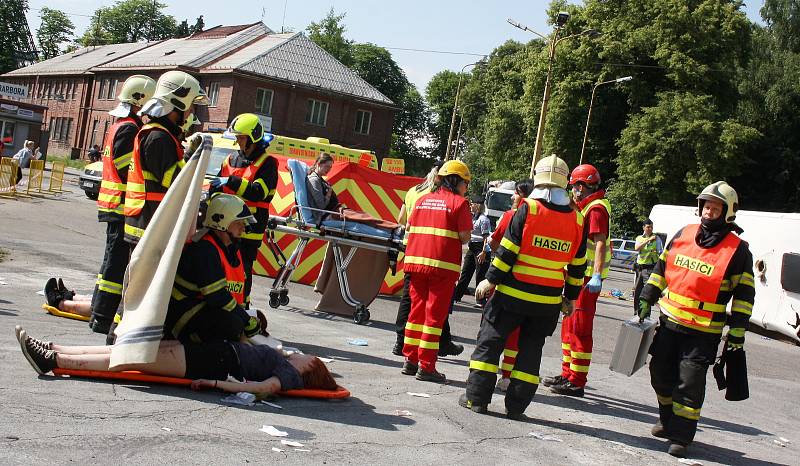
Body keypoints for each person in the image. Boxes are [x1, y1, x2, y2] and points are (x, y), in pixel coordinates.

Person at [459, 155, 587, 419]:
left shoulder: (529, 209)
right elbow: (577, 267)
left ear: (538, 178)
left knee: (490, 343)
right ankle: (516, 408)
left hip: (511, 296)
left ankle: (476, 399)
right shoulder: (577, 220)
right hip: (547, 302)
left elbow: (507, 251)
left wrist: (489, 279)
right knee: (530, 352)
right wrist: (571, 298)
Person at [638, 181, 754, 458]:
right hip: (670, 323)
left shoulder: (738, 250)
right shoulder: (683, 234)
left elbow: (744, 295)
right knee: (660, 375)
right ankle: (667, 419)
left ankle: (681, 436)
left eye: (715, 207)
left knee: (689, 384)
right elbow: (661, 269)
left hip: (703, 332)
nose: (708, 211)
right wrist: (647, 296)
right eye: (706, 206)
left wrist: (737, 331)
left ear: (727, 213)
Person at [15, 326, 338, 394]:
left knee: (130, 359)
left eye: (310, 356)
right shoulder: (285, 359)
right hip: (213, 350)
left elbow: (260, 388)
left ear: (312, 366)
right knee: (122, 351)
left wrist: (215, 384)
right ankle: (55, 349)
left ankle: (53, 360)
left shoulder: (290, 375)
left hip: (212, 364)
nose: (306, 354)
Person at [88, 75, 156, 336]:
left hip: (113, 204)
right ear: (140, 101)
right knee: (115, 263)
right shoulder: (129, 128)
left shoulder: (120, 125)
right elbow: (127, 166)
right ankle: (103, 316)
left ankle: (98, 311)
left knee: (111, 262)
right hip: (120, 205)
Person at [401, 159, 473, 383]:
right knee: (434, 317)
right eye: (466, 183)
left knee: (416, 314)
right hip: (442, 267)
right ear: (457, 181)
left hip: (416, 263)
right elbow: (465, 237)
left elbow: (409, 225)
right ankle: (427, 366)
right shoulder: (459, 204)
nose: (466, 188)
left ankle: (410, 360)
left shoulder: (422, 200)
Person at [543, 163, 610, 397]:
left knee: (580, 329)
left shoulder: (597, 209)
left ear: (588, 185)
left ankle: (577, 381)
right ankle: (567, 374)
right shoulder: (586, 207)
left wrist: (598, 275)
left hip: (587, 277)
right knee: (569, 327)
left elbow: (599, 243)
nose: (575, 191)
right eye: (573, 186)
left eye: (578, 186)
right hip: (577, 275)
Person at [123, 70, 209, 245]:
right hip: (149, 224)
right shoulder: (158, 137)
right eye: (191, 104)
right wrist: (193, 156)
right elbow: (175, 182)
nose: (192, 110)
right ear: (178, 103)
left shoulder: (162, 135)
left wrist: (187, 154)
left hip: (152, 222)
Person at [164, 193, 261, 343]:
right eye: (238, 222)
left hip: (204, 309)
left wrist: (247, 318)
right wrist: (244, 319)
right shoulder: (204, 250)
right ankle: (193, 349)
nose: (243, 227)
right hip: (183, 316)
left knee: (250, 321)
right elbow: (217, 297)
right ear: (221, 221)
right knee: (231, 325)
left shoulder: (230, 248)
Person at [392, 164, 463, 358]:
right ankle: (427, 360)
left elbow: (403, 221)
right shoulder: (454, 201)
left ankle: (405, 348)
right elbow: (464, 236)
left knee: (412, 303)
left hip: (413, 253)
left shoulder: (415, 193)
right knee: (434, 311)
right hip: (439, 260)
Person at [210, 113, 279, 309]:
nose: (238, 141)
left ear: (253, 137)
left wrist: (231, 181)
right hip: (225, 224)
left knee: (243, 269)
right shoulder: (230, 159)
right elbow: (218, 184)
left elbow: (258, 192)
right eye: (237, 137)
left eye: (241, 137)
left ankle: (243, 308)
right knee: (222, 266)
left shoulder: (268, 163)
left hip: (250, 226)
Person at [485, 178, 534, 392]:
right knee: (516, 335)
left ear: (522, 196)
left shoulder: (510, 216)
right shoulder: (541, 219)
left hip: (503, 279)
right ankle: (507, 376)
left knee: (492, 329)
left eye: (515, 193)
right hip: (529, 284)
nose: (512, 197)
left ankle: (485, 374)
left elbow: (495, 242)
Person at [305, 152, 400, 231]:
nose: (328, 170)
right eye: (326, 167)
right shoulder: (314, 180)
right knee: (364, 218)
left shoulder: (319, 179)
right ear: (318, 164)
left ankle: (392, 228)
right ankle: (395, 228)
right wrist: (329, 194)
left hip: (336, 212)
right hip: (331, 214)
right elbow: (320, 205)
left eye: (330, 168)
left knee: (363, 216)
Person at [453, 196, 492, 306]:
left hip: (481, 248)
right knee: (465, 272)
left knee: (480, 275)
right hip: (472, 247)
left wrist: (484, 252)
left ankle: (481, 300)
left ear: (478, 206)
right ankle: (457, 296)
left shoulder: (484, 219)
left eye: (472, 204)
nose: (470, 206)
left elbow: (486, 238)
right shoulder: (473, 217)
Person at [632, 218, 663, 315]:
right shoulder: (639, 238)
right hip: (639, 269)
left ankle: (645, 314)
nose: (650, 229)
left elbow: (660, 252)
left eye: (651, 227)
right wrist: (648, 240)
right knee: (637, 291)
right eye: (648, 227)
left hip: (649, 269)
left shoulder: (657, 239)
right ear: (643, 228)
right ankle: (637, 312)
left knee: (647, 292)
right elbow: (637, 248)